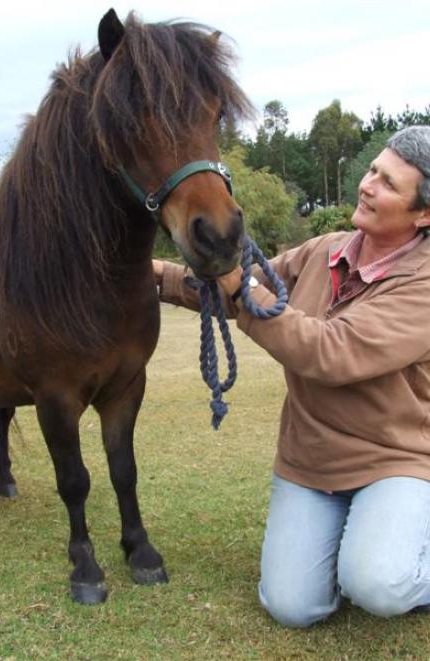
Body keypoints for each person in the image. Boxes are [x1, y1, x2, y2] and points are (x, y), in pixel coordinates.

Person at [153, 126, 430, 627]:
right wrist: (155, 276)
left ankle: (388, 542)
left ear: (424, 214)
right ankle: (367, 538)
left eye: (388, 183)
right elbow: (242, 288)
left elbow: (331, 351)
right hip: (311, 461)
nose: (367, 185)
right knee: (292, 606)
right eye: (372, 171)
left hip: (396, 460)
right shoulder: (325, 249)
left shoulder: (424, 285)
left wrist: (237, 283)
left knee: (378, 585)